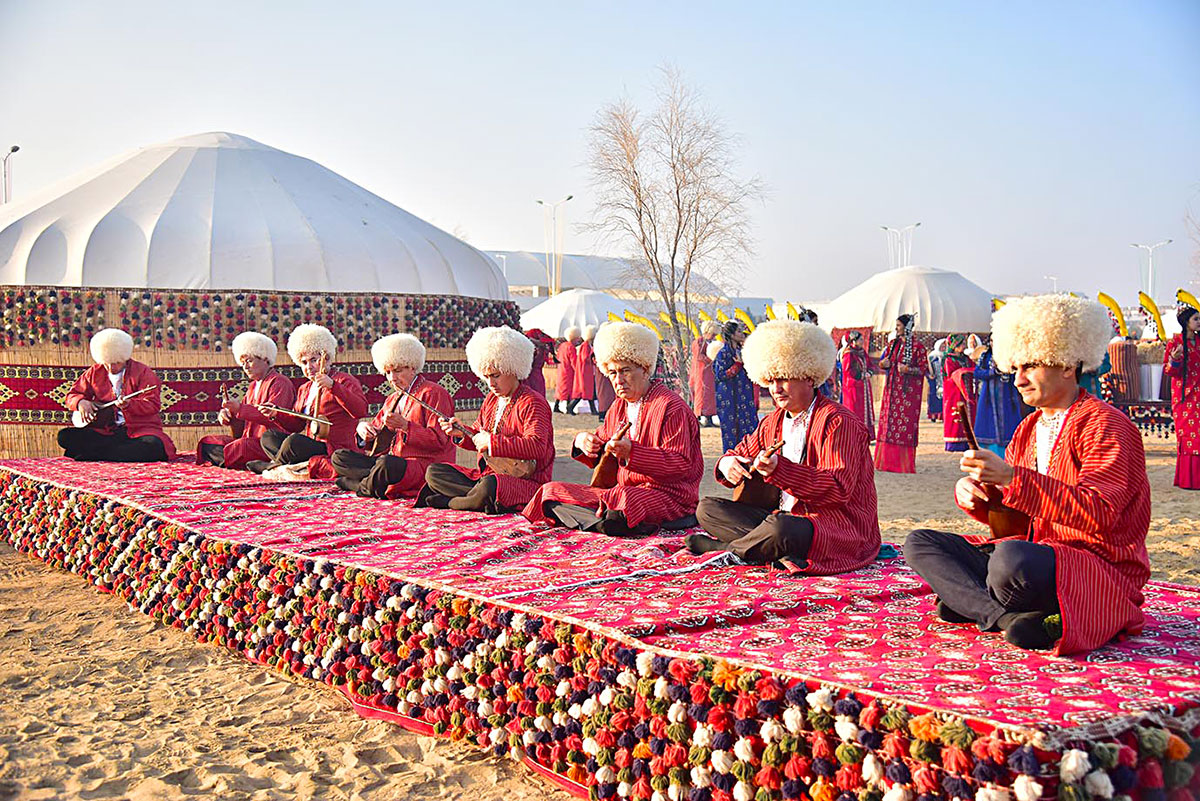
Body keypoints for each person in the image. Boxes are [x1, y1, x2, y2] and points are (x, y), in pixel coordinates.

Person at [905, 294, 1151, 653]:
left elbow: (1100, 513)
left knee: (1009, 563)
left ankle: (977, 603)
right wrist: (979, 496)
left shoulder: (1106, 425)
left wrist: (1010, 479)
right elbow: (1015, 523)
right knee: (922, 543)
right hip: (1036, 555)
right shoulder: (1029, 428)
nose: (1018, 379)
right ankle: (1004, 617)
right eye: (1015, 367)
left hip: (1094, 568)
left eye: (1030, 367)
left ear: (1067, 364)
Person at [689, 320, 879, 570]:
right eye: (771, 379)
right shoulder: (772, 421)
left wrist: (781, 471)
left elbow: (837, 489)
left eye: (784, 379)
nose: (776, 389)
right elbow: (738, 452)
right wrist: (729, 464)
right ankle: (763, 547)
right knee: (707, 509)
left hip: (834, 525)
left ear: (809, 377)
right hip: (780, 518)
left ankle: (726, 549)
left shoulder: (838, 421)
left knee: (781, 528)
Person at [523, 321, 703, 535]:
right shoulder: (618, 406)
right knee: (550, 492)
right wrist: (583, 441)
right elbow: (602, 442)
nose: (618, 380)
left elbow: (680, 465)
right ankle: (605, 521)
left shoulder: (671, 407)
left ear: (645, 368)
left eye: (625, 371)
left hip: (668, 497)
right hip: (620, 494)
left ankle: (601, 520)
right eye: (612, 373)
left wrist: (632, 452)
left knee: (623, 501)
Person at [416, 326, 554, 513]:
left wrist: (491, 441)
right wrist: (461, 433)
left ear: (512, 369)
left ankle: (452, 502)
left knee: (491, 486)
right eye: (486, 377)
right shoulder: (491, 399)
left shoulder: (533, 402)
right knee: (435, 472)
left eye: (496, 376)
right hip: (488, 475)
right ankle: (472, 499)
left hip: (525, 482)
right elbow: (477, 436)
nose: (491, 383)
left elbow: (537, 446)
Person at [318, 333, 456, 498]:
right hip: (390, 462)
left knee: (386, 464)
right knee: (340, 457)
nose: (392, 379)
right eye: (388, 372)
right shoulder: (393, 398)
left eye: (397, 371)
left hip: (422, 465)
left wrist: (406, 426)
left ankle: (362, 486)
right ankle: (372, 482)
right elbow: (377, 439)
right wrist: (365, 433)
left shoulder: (433, 393)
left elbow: (441, 441)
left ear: (412, 367)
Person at [247, 324, 368, 474]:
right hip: (312, 445)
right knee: (269, 437)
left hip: (335, 448)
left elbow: (360, 411)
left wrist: (333, 386)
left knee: (294, 442)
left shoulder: (344, 381)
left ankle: (274, 467)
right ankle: (288, 465)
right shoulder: (305, 389)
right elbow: (297, 425)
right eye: (304, 362)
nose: (309, 367)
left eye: (314, 360)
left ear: (327, 358)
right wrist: (276, 414)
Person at [58, 328, 176, 462]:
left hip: (140, 430)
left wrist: (129, 405)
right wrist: (80, 402)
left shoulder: (143, 372)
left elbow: (152, 405)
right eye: (106, 363)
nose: (111, 368)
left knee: (153, 446)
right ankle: (109, 453)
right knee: (64, 436)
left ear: (125, 358)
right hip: (107, 431)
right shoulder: (94, 372)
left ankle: (96, 454)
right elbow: (72, 395)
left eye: (116, 363)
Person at [196, 332, 296, 470]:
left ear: (265, 359)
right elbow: (243, 426)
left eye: (249, 361)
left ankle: (253, 462)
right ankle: (245, 463)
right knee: (208, 442)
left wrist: (240, 409)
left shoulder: (280, 383)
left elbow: (274, 417)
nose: (245, 367)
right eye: (243, 363)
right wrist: (230, 416)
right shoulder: (252, 387)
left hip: (268, 444)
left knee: (241, 447)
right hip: (249, 440)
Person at [874, 314, 927, 473]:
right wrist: (883, 364)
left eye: (899, 325)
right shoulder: (893, 344)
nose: (896, 328)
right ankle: (885, 463)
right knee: (888, 425)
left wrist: (908, 370)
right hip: (891, 393)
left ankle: (902, 464)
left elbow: (923, 369)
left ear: (907, 327)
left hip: (908, 395)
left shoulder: (918, 348)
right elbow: (884, 362)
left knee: (905, 427)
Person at [1164, 305, 1200, 489]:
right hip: (1185, 397)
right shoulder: (1175, 342)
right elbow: (1169, 371)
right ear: (1186, 322)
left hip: (1199, 395)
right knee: (1188, 436)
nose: (1199, 322)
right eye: (1196, 319)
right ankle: (1189, 480)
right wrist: (1174, 359)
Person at [713, 320, 758, 452]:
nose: (742, 333)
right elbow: (720, 374)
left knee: (749, 429)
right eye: (739, 331)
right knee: (731, 431)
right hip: (728, 398)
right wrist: (737, 366)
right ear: (732, 335)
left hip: (744, 395)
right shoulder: (723, 353)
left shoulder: (742, 351)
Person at [973, 343, 1025, 457]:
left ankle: (1010, 456)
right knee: (988, 426)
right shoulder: (986, 356)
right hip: (989, 398)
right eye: (992, 340)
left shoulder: (1011, 357)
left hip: (1007, 396)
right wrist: (993, 372)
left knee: (1009, 425)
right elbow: (977, 373)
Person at [941, 334, 977, 452]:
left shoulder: (966, 358)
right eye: (960, 344)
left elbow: (974, 368)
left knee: (968, 414)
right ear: (954, 345)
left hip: (966, 390)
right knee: (955, 416)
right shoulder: (948, 359)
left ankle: (967, 442)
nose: (963, 346)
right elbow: (950, 375)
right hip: (954, 393)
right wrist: (963, 372)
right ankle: (954, 444)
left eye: (963, 343)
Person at [838, 331, 874, 438]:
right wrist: (861, 376)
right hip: (852, 388)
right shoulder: (848, 354)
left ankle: (865, 434)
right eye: (860, 340)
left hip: (863, 387)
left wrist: (869, 373)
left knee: (865, 410)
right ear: (854, 341)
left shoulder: (862, 352)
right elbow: (848, 371)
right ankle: (854, 436)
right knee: (854, 410)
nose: (862, 341)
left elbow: (870, 365)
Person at [690, 320, 719, 427]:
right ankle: (699, 416)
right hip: (701, 371)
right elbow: (698, 356)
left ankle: (710, 417)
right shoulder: (698, 342)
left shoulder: (711, 343)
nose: (714, 336)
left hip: (710, 372)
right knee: (701, 394)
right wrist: (711, 359)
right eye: (713, 334)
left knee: (710, 395)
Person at [594, 323, 617, 423]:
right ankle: (602, 413)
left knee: (610, 393)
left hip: (610, 368)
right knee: (603, 392)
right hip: (603, 368)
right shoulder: (600, 342)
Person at [554, 327, 581, 414]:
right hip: (568, 371)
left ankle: (556, 406)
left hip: (561, 369)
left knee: (560, 388)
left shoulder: (563, 345)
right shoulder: (571, 347)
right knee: (569, 389)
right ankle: (569, 408)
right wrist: (578, 370)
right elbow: (573, 361)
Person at [573, 325, 597, 415]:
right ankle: (570, 407)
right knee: (585, 392)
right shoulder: (586, 345)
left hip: (587, 371)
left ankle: (593, 410)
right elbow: (585, 357)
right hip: (585, 372)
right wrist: (592, 356)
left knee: (588, 392)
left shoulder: (587, 345)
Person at [926, 338, 946, 422]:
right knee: (933, 398)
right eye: (941, 346)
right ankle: (933, 416)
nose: (943, 348)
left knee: (943, 399)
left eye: (944, 346)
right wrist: (929, 375)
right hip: (934, 381)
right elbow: (926, 369)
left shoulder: (946, 357)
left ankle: (941, 416)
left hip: (944, 381)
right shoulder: (932, 357)